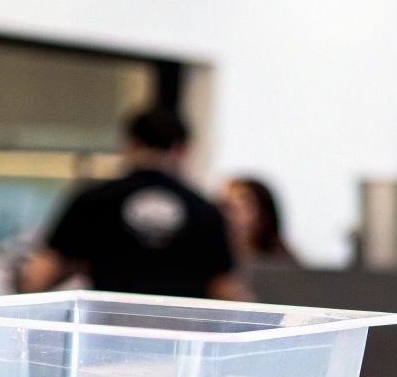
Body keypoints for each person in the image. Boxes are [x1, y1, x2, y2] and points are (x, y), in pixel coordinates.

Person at [21, 108, 245, 299]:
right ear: (182, 149)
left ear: (130, 144)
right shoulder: (204, 210)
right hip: (181, 340)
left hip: (109, 335)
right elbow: (226, 290)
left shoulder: (94, 199)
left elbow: (38, 277)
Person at [222, 177, 297, 265]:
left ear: (264, 215)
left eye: (240, 208)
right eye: (226, 207)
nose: (229, 216)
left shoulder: (283, 262)